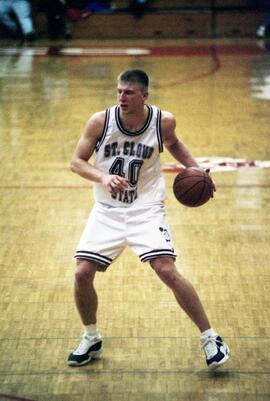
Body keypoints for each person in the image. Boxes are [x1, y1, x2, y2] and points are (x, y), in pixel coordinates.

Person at [68, 69, 230, 370]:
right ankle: (91, 337)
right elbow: (76, 162)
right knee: (81, 274)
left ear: (144, 95)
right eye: (118, 91)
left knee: (166, 270)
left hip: (146, 209)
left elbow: (174, 143)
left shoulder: (162, 121)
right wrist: (103, 176)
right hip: (107, 211)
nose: (121, 97)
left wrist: (198, 171)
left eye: (128, 92)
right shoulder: (100, 121)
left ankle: (211, 338)